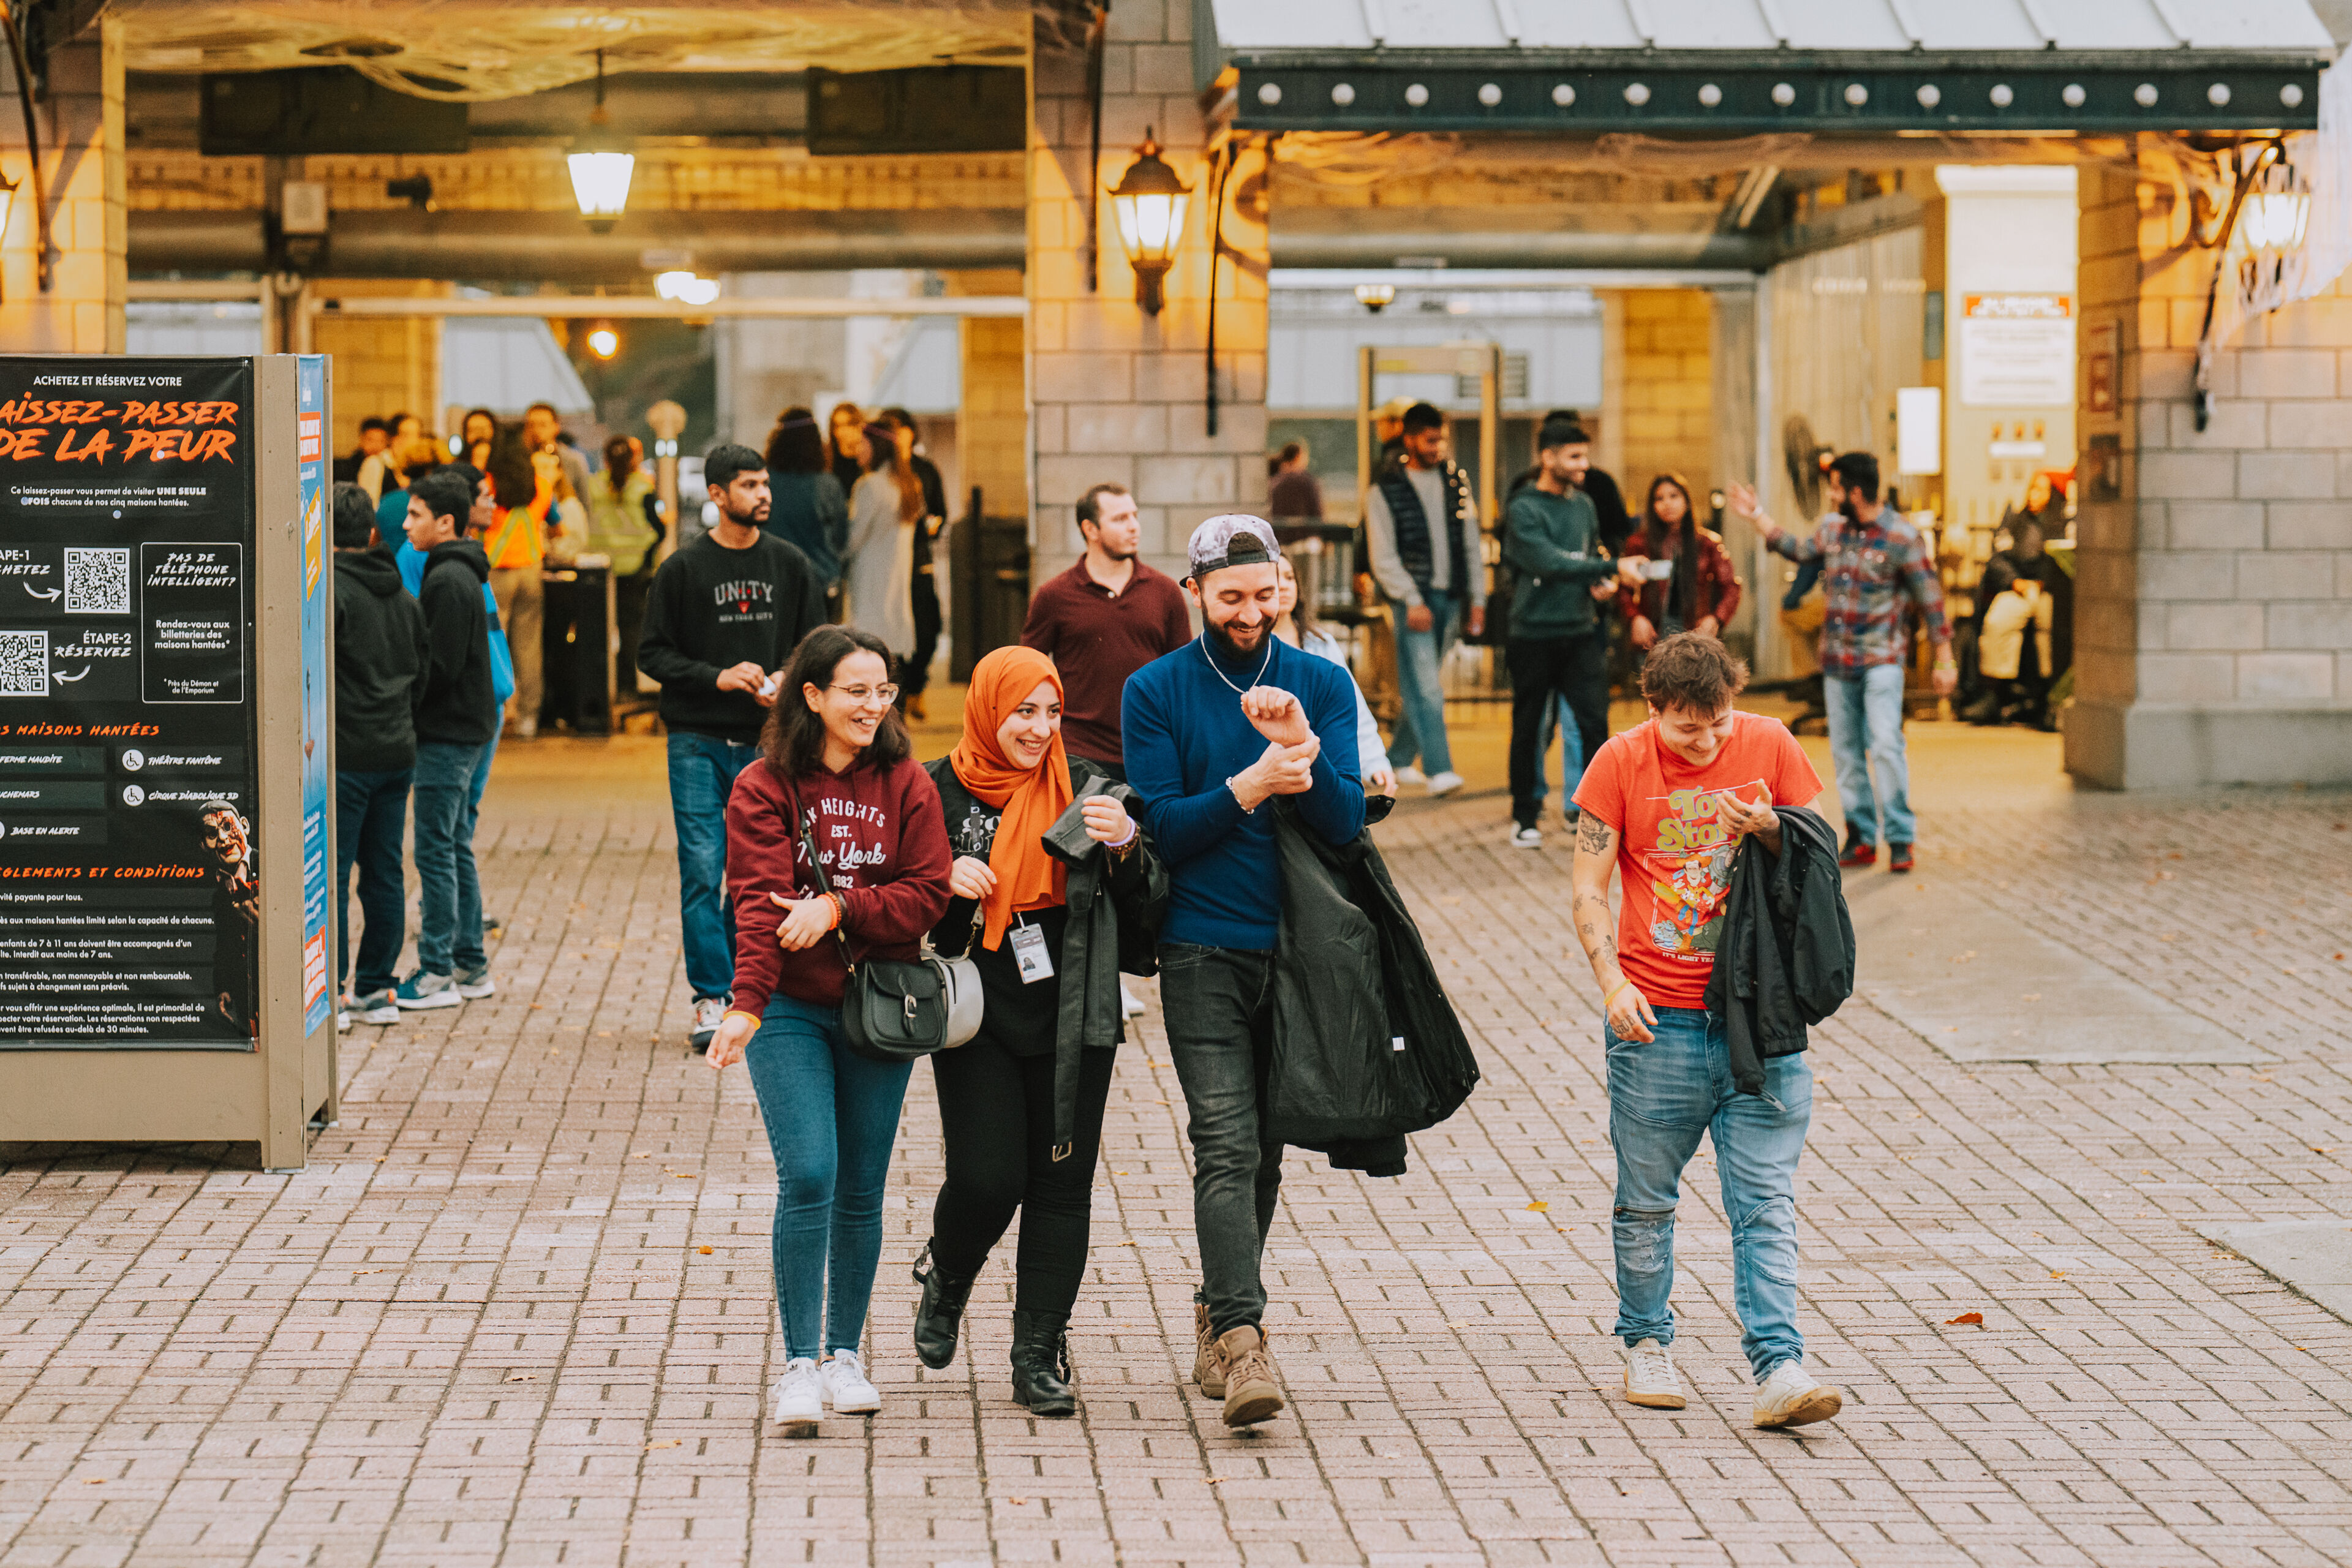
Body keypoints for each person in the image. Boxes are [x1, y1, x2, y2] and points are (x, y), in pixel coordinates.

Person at [1121, 514, 1366, 1430]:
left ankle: (1213, 1311)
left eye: (1267, 596)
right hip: (1199, 947)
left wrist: (1299, 752)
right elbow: (1165, 830)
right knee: (1224, 1141)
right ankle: (1243, 1335)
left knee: (1262, 1152)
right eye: (1231, 598)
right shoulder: (1157, 692)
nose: (1251, 613)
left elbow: (1348, 826)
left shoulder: (1321, 683)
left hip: (1301, 955)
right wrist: (1250, 785)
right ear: (1194, 593)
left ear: (1287, 587)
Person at [1569, 632, 1845, 1431]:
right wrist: (1611, 982)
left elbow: (1820, 856)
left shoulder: (1771, 743)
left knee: (1765, 1201)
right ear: (1653, 709)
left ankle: (1779, 1368)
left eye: (1720, 722)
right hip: (1657, 1019)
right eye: (1690, 728)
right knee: (1648, 1199)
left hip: (1761, 1019)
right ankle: (1646, 1342)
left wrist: (1770, 828)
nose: (1711, 741)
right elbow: (1588, 887)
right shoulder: (1619, 764)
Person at [703, 627, 952, 1436]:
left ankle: (846, 1354)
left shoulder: (906, 781)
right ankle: (799, 1366)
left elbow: (929, 894)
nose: (873, 707)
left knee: (862, 1184)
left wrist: (841, 906)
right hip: (790, 1010)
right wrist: (745, 1004)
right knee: (810, 1170)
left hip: (880, 1006)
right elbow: (757, 904)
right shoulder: (763, 785)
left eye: (883, 692)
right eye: (856, 691)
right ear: (811, 695)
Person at [909, 646, 1169, 1416]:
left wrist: (1125, 843)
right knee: (991, 1177)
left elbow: (1151, 909)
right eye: (1024, 709)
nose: (1040, 726)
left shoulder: (1090, 788)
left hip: (1075, 1007)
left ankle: (1038, 1352)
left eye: (1051, 711)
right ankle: (948, 1273)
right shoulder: (934, 789)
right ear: (989, 706)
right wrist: (943, 883)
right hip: (976, 1008)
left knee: (1062, 1187)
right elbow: (897, 910)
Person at [637, 442, 828, 1050]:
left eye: (765, 483)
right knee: (701, 869)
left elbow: (820, 646)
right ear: (716, 495)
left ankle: (751, 987)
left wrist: (787, 681)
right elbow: (651, 654)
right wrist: (714, 677)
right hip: (695, 739)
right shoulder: (683, 569)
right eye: (749, 485)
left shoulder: (792, 564)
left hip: (769, 745)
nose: (763, 494)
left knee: (757, 871)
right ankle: (711, 997)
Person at [1729, 452, 1954, 874]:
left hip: (1882, 659)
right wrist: (1757, 515)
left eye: (1835, 488)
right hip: (1837, 662)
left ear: (1854, 491)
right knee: (1847, 751)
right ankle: (1862, 835)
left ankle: (1901, 837)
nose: (1830, 496)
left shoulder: (1903, 537)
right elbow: (1797, 549)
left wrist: (1945, 658)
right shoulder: (1832, 530)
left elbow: (1932, 601)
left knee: (1886, 743)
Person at [396, 468, 500, 1011]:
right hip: (465, 729)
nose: (405, 525)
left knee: (436, 848)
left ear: (445, 522)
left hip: (448, 734)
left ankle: (437, 968)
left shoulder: (447, 580)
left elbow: (441, 666)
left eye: (415, 516)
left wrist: (404, 703)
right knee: (454, 844)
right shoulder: (460, 572)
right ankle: (470, 963)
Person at [1504, 415, 1634, 848]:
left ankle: (1597, 812)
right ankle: (1526, 815)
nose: (1584, 465)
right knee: (1530, 726)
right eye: (1575, 457)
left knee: (1595, 723)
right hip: (1533, 633)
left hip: (1580, 630)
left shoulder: (1584, 505)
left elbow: (1587, 552)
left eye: (1585, 455)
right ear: (1548, 457)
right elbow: (1547, 561)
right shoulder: (1524, 507)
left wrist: (1601, 582)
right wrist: (1610, 567)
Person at [330, 482, 428, 1028]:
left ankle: (335, 992)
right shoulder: (404, 598)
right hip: (397, 749)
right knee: (385, 870)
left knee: (335, 873)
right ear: (372, 532)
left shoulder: (329, 596)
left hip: (347, 755)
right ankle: (377, 987)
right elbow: (424, 672)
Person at [1019, 481, 1193, 780]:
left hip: (1151, 748)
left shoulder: (1165, 592)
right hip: (1079, 754)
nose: (1134, 527)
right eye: (1120, 519)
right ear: (1091, 529)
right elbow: (1027, 673)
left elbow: (1184, 676)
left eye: (1134, 516)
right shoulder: (1055, 595)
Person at [1362, 402, 1484, 796]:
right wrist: (1411, 598)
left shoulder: (1456, 484)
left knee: (1421, 684)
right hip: (1412, 601)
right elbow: (1383, 556)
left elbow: (1470, 544)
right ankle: (1440, 770)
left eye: (1443, 439)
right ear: (1411, 439)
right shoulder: (1384, 489)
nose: (1439, 447)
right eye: (1431, 440)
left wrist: (1478, 599)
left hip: (1450, 599)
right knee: (1428, 686)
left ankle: (1396, 760)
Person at [1271, 554, 1393, 796]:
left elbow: (1352, 705)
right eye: (1274, 579)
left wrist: (1375, 761)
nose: (1284, 585)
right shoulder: (1251, 649)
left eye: (1290, 577)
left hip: (1323, 767)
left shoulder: (1321, 644)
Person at [481, 424, 551, 739]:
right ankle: (528, 718)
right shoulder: (541, 487)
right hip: (531, 571)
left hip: (496, 573)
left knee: (493, 644)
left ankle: (495, 713)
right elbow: (552, 520)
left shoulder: (487, 486)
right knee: (529, 645)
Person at [879, 408, 948, 721]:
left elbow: (940, 511)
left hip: (920, 559)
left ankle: (917, 686)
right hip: (890, 565)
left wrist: (934, 524)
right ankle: (900, 695)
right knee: (895, 633)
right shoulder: (881, 474)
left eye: (903, 429)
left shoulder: (925, 470)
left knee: (928, 628)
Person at [1620, 473, 1741, 651]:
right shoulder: (1638, 544)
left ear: (1687, 501)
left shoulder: (1708, 543)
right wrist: (1635, 618)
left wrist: (1716, 619)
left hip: (1696, 637)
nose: (1667, 503)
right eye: (1659, 498)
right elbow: (1624, 588)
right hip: (1652, 636)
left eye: (1674, 496)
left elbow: (1731, 587)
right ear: (1652, 506)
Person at [844, 414, 918, 666]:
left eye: (862, 445)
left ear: (877, 447)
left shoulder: (870, 486)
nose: (857, 451)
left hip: (870, 586)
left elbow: (852, 541)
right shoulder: (910, 485)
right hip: (897, 586)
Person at [763, 405, 850, 598]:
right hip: (820, 581)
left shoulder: (764, 482)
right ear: (815, 441)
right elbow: (841, 537)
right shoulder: (828, 484)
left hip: (773, 581)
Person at [198, 800, 259, 1038]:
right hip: (244, 993)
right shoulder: (219, 891)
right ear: (204, 844)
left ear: (244, 825)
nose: (223, 838)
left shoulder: (267, 866)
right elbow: (224, 943)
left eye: (227, 826)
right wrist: (223, 986)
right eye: (212, 834)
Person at [523, 401, 592, 500]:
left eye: (543, 425)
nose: (536, 430)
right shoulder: (521, 461)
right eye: (531, 425)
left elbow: (585, 501)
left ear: (556, 427)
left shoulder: (573, 460)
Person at [1266, 442, 1321, 521]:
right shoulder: (1305, 482)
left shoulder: (1274, 481)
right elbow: (1316, 512)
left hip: (1278, 531)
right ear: (1297, 457)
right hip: (1301, 530)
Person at [826, 402, 867, 502]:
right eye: (837, 426)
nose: (841, 432)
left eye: (848, 425)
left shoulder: (866, 458)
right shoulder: (828, 457)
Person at [337, 416, 391, 483]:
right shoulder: (346, 470)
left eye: (381, 441)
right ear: (361, 440)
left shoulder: (389, 471)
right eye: (370, 440)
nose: (375, 446)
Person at [457, 407, 498, 472]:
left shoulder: (509, 467)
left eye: (482, 430)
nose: (479, 436)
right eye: (473, 431)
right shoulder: (458, 467)